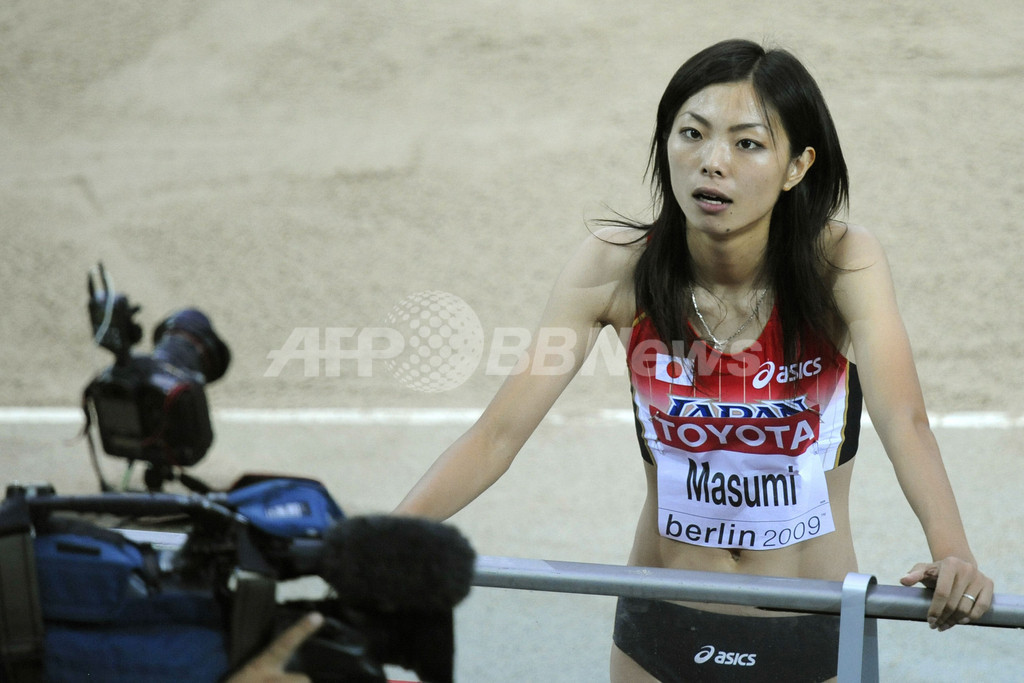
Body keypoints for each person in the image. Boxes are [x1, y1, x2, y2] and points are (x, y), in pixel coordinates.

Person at [393, 38, 993, 681]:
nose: (712, 163)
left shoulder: (843, 263)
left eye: (747, 143)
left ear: (798, 165)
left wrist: (951, 551)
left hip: (809, 625)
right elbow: (496, 435)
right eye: (692, 133)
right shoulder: (614, 266)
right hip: (660, 623)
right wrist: (385, 535)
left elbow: (905, 420)